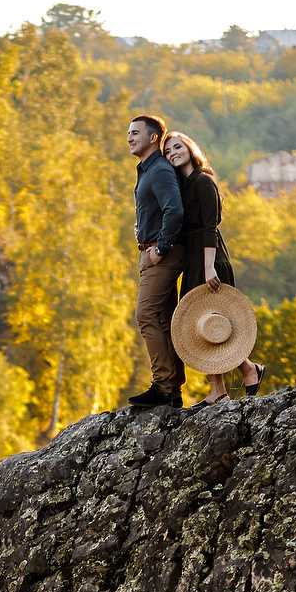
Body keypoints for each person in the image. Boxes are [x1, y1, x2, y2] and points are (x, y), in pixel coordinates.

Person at [164, 130, 265, 404]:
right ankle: (220, 388)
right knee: (202, 322)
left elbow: (210, 227)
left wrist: (209, 268)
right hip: (194, 257)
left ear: (190, 148)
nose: (173, 153)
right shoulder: (183, 186)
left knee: (216, 319)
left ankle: (247, 369)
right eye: (168, 151)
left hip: (210, 256)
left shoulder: (203, 182)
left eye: (177, 147)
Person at [126, 114, 185, 409]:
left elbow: (174, 210)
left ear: (153, 138)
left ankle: (162, 386)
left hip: (162, 255)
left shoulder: (160, 170)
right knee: (163, 319)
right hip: (149, 252)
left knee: (145, 313)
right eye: (128, 133)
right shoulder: (148, 171)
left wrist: (161, 246)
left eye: (135, 132)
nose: (129, 137)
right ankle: (173, 393)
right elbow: (159, 210)